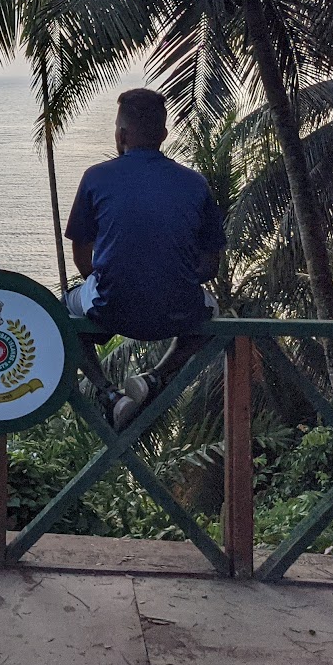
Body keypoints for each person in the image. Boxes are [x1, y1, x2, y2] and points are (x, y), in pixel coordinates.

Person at [63, 88, 226, 430]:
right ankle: (155, 377)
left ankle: (109, 394)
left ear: (121, 134)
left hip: (113, 309)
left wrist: (114, 281)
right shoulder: (195, 184)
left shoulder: (96, 177)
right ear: (164, 135)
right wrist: (168, 278)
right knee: (214, 316)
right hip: (177, 312)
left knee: (62, 315)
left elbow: (81, 257)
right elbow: (211, 265)